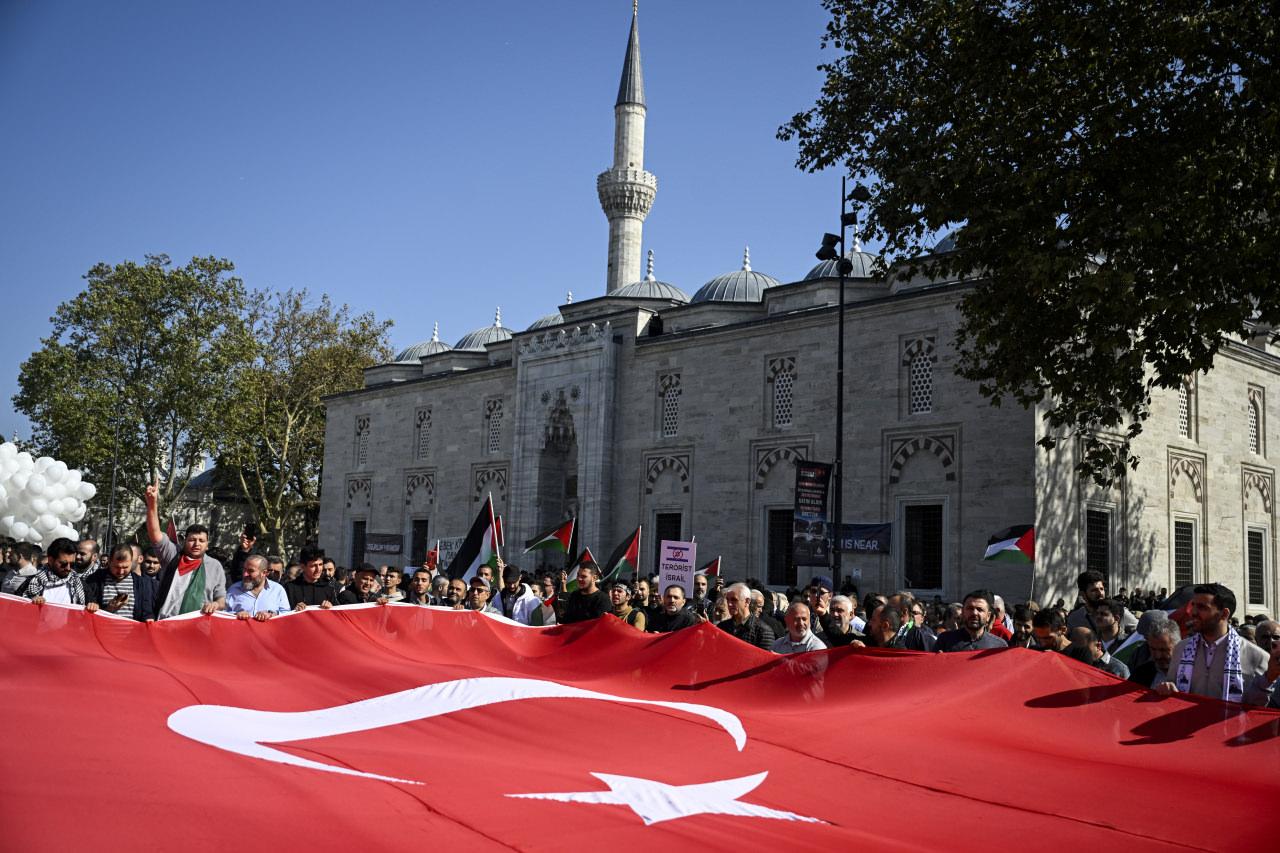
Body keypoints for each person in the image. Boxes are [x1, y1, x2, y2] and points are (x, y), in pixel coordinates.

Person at [1157, 584, 1280, 705]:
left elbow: (1255, 708)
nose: (1193, 612)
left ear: (1224, 614)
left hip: (1232, 724)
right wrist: (1168, 688)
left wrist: (1267, 680)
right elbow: (1171, 688)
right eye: (1193, 605)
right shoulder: (1181, 649)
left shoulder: (1257, 657)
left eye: (1202, 607)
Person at [144, 480, 225, 618]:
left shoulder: (215, 566)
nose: (196, 544)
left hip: (197, 627)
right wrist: (152, 503)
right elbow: (155, 533)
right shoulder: (172, 554)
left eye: (201, 541)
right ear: (184, 541)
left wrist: (215, 605)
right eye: (192, 540)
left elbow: (221, 599)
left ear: (207, 544)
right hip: (165, 623)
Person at [84, 543, 159, 621]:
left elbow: (146, 611)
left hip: (131, 632)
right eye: (117, 567)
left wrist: (149, 619)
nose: (121, 572)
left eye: (125, 567)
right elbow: (88, 607)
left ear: (131, 562)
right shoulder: (95, 579)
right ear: (109, 562)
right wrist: (107, 609)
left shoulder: (141, 583)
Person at [1067, 570, 1138, 634]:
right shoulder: (1074, 618)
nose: (1100, 593)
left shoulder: (1120, 611)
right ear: (1083, 594)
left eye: (1101, 589)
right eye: (1094, 590)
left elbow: (1141, 631)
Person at [935, 590, 1008, 652]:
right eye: (970, 608)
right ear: (963, 613)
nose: (974, 613)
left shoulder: (999, 646)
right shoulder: (945, 641)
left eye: (980, 609)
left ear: (988, 616)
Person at [223, 555, 291, 620]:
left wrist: (271, 614)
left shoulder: (278, 590)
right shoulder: (233, 590)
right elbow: (222, 615)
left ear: (264, 573)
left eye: (251, 571)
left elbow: (286, 615)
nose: (245, 574)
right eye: (244, 570)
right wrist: (236, 614)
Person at [24, 538, 85, 605]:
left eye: (72, 564)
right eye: (63, 564)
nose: (68, 568)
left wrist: (92, 606)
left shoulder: (79, 583)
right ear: (51, 560)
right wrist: (32, 601)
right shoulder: (34, 581)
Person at [716, 582, 775, 650]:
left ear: (747, 601)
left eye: (734, 600)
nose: (729, 604)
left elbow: (765, 658)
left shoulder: (763, 631)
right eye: (727, 600)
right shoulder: (722, 627)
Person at [283, 546, 338, 611]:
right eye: (313, 566)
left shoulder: (328, 588)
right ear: (303, 566)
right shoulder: (290, 588)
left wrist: (331, 608)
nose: (318, 569)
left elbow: (338, 614)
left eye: (320, 564)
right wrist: (294, 610)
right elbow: (283, 613)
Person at [1129, 622, 1181, 689]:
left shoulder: (1192, 673)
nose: (1158, 656)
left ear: (1178, 646)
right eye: (1153, 649)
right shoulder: (1141, 673)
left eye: (1163, 650)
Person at [1066, 627, 1130, 678]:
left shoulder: (1119, 669)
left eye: (1082, 648)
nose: (1078, 651)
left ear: (1098, 646)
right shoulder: (1070, 663)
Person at [224, 522, 259, 586]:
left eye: (251, 571)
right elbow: (236, 575)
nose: (246, 573)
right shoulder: (239, 553)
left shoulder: (259, 555)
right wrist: (245, 550)